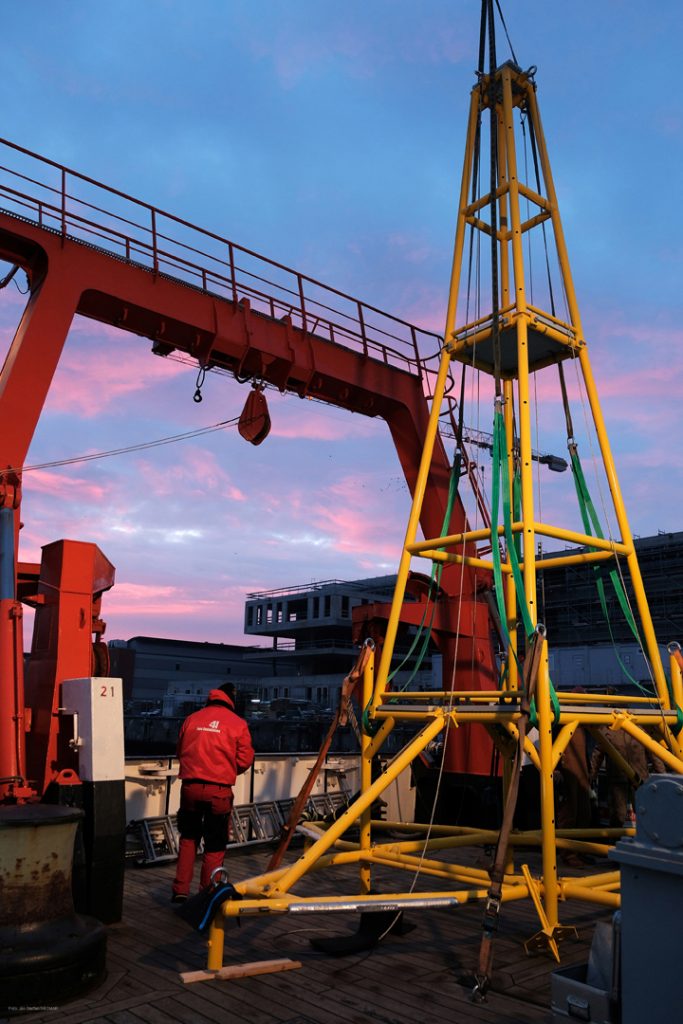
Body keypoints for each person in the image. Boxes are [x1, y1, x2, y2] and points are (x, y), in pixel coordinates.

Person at [172, 682, 254, 902]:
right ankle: (207, 893)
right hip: (218, 791)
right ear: (231, 700)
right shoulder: (238, 724)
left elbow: (180, 751)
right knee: (215, 844)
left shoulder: (192, 719)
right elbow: (245, 760)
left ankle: (180, 890)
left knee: (188, 838)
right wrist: (226, 769)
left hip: (190, 788)